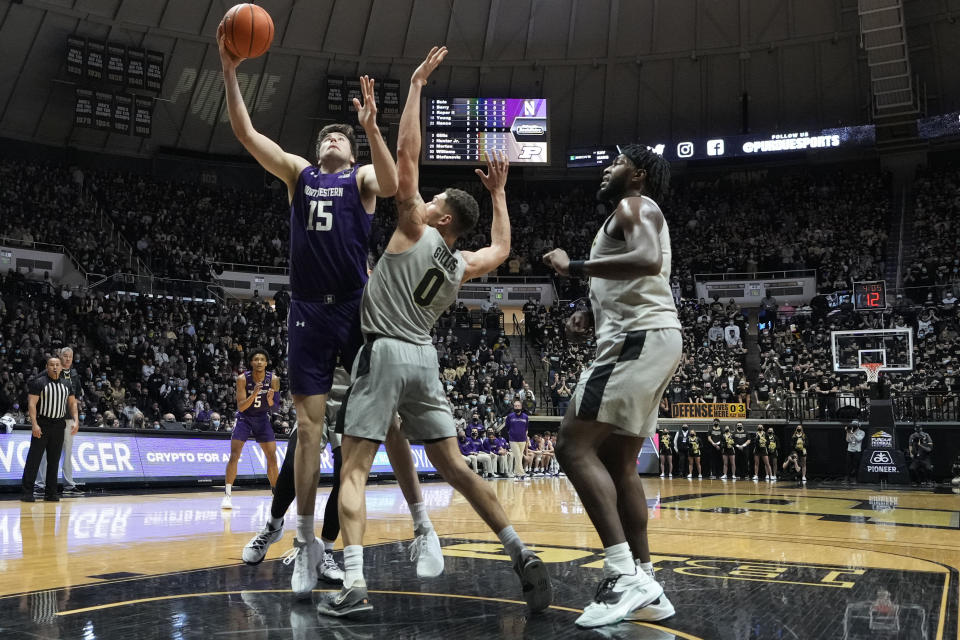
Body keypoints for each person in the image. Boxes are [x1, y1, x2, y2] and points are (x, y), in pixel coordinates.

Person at [319, 46, 550, 618]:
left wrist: (417, 85)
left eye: (435, 201)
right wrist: (499, 194)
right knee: (456, 466)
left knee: (351, 467)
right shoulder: (461, 263)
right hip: (425, 360)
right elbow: (502, 247)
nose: (425, 200)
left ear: (441, 218)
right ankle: (519, 549)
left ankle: (352, 582)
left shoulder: (411, 227)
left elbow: (405, 152)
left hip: (384, 352)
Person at [218, 29, 439, 598]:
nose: (334, 140)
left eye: (342, 136)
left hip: (354, 311)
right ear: (318, 151)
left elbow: (392, 184)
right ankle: (304, 545)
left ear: (351, 150)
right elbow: (246, 133)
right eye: (330, 136)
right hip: (307, 314)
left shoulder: (359, 179)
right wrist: (228, 69)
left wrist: (369, 127)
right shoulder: (299, 173)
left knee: (378, 423)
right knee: (309, 430)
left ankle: (417, 524)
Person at [543, 142, 681, 627]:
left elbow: (644, 260)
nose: (606, 168)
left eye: (618, 162)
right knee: (619, 460)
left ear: (638, 175)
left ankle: (622, 574)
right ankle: (646, 580)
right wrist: (591, 311)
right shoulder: (637, 210)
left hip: (637, 340)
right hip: (653, 338)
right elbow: (642, 276)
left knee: (572, 446)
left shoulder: (634, 205)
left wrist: (573, 267)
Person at [221, 349, 281, 509]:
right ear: (251, 363)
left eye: (262, 359)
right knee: (234, 455)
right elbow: (241, 407)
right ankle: (227, 495)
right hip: (244, 418)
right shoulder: (242, 379)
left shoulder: (274, 379)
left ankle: (276, 494)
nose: (259, 362)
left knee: (272, 457)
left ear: (266, 363)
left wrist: (269, 401)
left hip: (262, 419)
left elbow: (275, 409)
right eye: (256, 359)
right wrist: (254, 394)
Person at [21, 357, 79, 502]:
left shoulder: (67, 384)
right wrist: (34, 424)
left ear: (61, 367)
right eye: (52, 365)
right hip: (43, 424)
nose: (54, 367)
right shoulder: (39, 382)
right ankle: (27, 492)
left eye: (57, 365)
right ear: (47, 367)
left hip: (59, 425)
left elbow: (72, 404)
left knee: (54, 460)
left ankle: (51, 492)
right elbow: (32, 404)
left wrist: (76, 421)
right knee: (34, 459)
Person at [34, 347, 84, 498]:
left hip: (67, 419)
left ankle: (69, 484)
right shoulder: (51, 370)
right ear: (60, 357)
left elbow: (75, 399)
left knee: (67, 453)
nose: (68, 359)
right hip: (51, 419)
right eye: (65, 356)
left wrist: (76, 419)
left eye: (70, 357)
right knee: (45, 452)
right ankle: (40, 485)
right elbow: (35, 385)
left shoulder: (74, 375)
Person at [504, 400, 530, 480]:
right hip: (513, 440)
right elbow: (507, 427)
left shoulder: (525, 416)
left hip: (522, 440)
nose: (517, 407)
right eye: (515, 406)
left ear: (521, 407)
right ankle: (522, 474)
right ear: (513, 407)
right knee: (518, 456)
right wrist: (511, 433)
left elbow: (526, 428)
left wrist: (525, 437)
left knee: (519, 457)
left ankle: (516, 474)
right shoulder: (510, 416)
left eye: (518, 406)